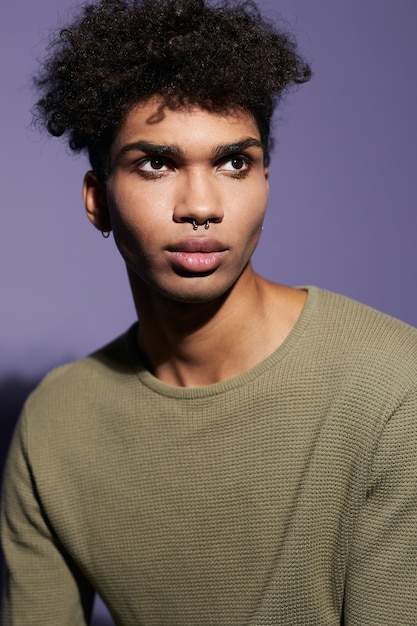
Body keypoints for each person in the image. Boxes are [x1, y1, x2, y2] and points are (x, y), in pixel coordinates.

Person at [1, 0, 417, 623]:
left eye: (233, 162)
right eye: (157, 163)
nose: (202, 204)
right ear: (98, 201)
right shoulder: (55, 425)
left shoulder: (393, 385)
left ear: (265, 185)